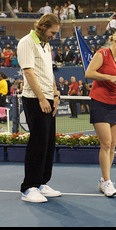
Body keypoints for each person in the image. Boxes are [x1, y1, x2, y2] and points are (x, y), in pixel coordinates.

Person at [17, 13, 61, 203]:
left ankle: (42, 182)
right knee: (37, 143)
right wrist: (42, 98)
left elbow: (49, 72)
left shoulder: (46, 44)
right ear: (43, 27)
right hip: (35, 99)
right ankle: (29, 187)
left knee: (48, 143)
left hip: (48, 98)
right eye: (52, 32)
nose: (54, 36)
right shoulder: (27, 42)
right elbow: (28, 72)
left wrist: (56, 93)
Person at [85, 30, 116, 197]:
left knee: (112, 145)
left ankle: (104, 180)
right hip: (99, 102)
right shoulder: (102, 54)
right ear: (115, 42)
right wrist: (108, 77)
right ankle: (107, 181)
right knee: (105, 143)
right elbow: (88, 73)